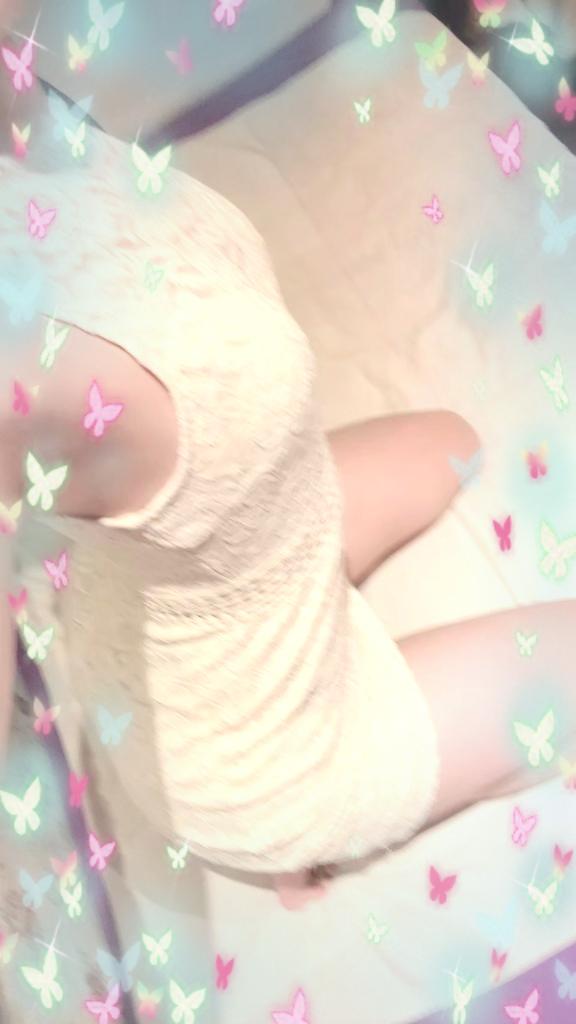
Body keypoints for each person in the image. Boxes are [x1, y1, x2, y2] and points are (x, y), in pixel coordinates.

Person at [1, 0, 575, 901]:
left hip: (224, 568)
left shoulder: (17, 69)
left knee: (451, 443)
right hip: (246, 754)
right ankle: (289, 834)